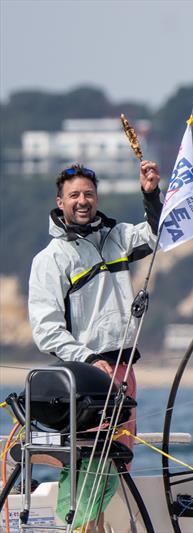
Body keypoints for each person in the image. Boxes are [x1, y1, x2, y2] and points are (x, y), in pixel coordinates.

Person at [28, 161, 163, 454]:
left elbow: (157, 234)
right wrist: (87, 359)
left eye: (88, 194)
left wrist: (150, 194)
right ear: (60, 201)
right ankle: (75, 503)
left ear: (97, 198)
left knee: (121, 459)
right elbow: (46, 330)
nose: (82, 201)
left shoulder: (117, 236)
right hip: (86, 375)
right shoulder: (50, 259)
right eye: (74, 195)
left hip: (125, 371)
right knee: (90, 463)